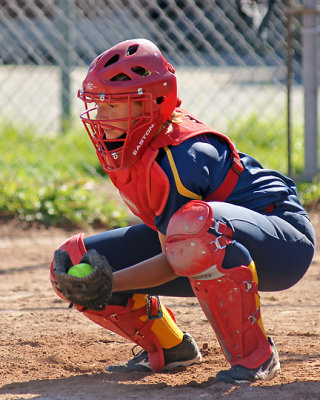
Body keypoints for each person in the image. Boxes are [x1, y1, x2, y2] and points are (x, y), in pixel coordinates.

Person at [50, 38, 315, 384]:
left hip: (283, 242)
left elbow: (174, 256)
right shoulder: (137, 143)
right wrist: (100, 278)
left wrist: (110, 282)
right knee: (70, 261)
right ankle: (171, 347)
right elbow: (169, 246)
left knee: (194, 231)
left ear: (148, 104)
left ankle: (255, 357)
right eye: (98, 105)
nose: (100, 116)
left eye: (112, 106)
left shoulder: (179, 157)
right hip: (210, 236)